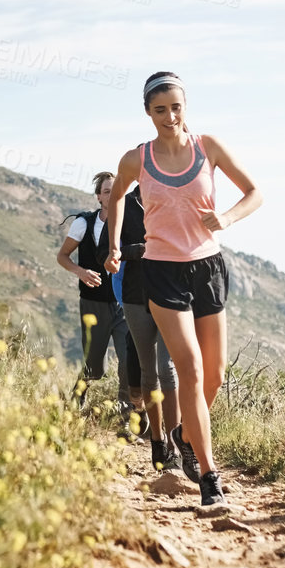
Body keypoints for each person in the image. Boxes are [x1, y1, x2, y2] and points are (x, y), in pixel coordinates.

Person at [103, 72, 263, 510]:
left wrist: (226, 219)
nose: (170, 117)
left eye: (176, 107)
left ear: (185, 106)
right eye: (160, 110)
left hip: (208, 268)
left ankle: (185, 435)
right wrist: (115, 245)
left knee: (214, 376)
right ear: (148, 113)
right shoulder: (137, 159)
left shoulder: (208, 147)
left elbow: (254, 193)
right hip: (162, 271)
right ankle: (210, 477)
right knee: (189, 369)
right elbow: (116, 195)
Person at [114, 184, 182, 472]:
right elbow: (112, 249)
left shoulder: (173, 200)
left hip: (170, 293)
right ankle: (156, 439)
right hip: (135, 295)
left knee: (168, 369)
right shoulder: (124, 204)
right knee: (148, 372)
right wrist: (138, 250)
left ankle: (174, 444)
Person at [57, 171, 135, 421]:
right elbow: (62, 256)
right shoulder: (85, 223)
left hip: (125, 304)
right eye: (106, 191)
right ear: (98, 197)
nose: (112, 195)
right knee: (94, 367)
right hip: (93, 304)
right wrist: (81, 272)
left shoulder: (132, 221)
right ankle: (74, 405)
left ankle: (127, 418)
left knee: (127, 363)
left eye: (116, 190)